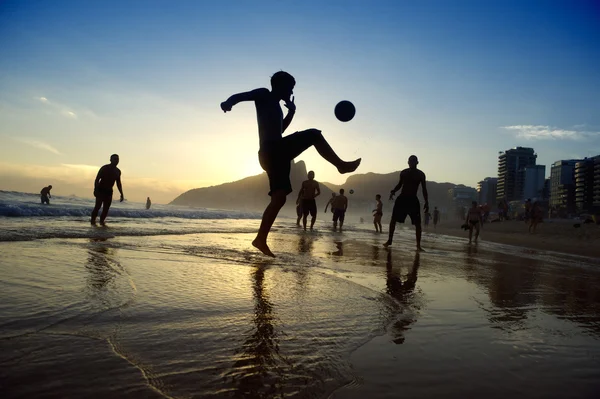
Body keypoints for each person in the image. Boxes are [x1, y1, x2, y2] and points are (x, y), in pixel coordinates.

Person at [220, 71, 360, 256]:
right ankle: (341, 166)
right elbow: (242, 96)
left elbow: (280, 130)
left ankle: (260, 239)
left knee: (279, 198)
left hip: (275, 153)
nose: (291, 91)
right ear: (281, 85)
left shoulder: (278, 108)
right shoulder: (264, 94)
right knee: (314, 134)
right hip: (273, 150)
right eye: (290, 87)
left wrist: (291, 112)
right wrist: (229, 102)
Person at [384, 155, 429, 251]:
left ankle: (418, 245)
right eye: (410, 161)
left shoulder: (421, 174)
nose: (411, 163)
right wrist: (393, 191)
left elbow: (424, 189)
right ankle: (390, 240)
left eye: (413, 161)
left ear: (417, 162)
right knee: (393, 220)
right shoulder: (404, 173)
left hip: (413, 200)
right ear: (408, 162)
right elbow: (400, 184)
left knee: (418, 224)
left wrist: (426, 202)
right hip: (402, 199)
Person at [91, 154, 124, 226]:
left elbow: (118, 183)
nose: (116, 160)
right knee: (97, 207)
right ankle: (92, 222)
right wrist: (95, 189)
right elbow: (97, 179)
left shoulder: (118, 171)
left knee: (106, 209)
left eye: (117, 159)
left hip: (109, 192)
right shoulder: (104, 168)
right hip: (101, 190)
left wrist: (121, 193)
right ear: (110, 160)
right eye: (114, 159)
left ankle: (101, 222)